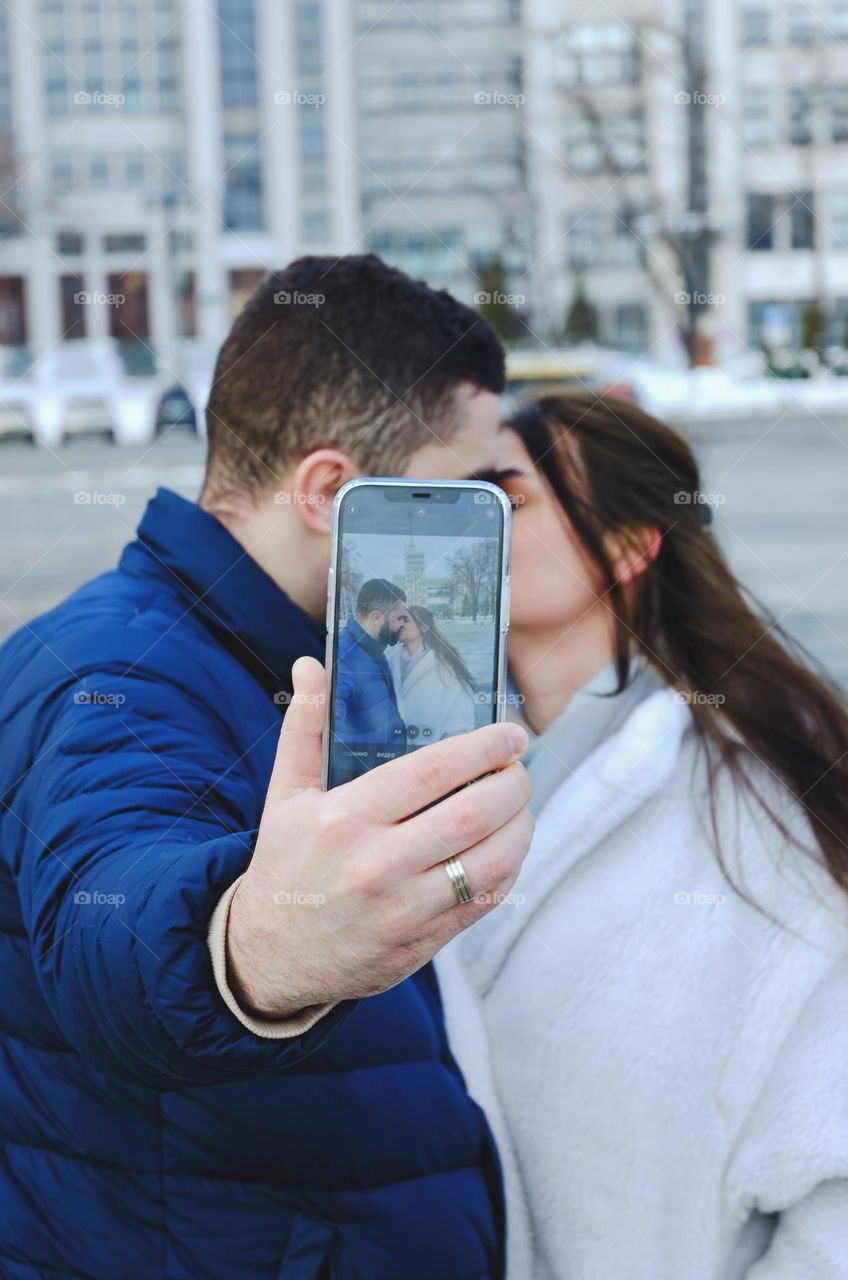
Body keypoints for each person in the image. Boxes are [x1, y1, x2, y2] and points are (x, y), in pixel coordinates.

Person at [0, 255, 534, 1280]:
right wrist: (254, 949)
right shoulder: (120, 673)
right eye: (464, 491)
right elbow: (107, 915)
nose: (489, 529)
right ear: (331, 490)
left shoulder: (300, 662)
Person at [437, 391, 848, 1280]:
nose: (473, 526)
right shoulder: (425, 772)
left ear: (629, 546)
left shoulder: (754, 805)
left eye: (508, 500)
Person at [333, 578, 407, 778]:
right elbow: (334, 739)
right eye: (399, 618)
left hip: (384, 777)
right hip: (369, 787)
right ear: (377, 617)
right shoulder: (343, 657)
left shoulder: (373, 650)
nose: (403, 624)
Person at [387, 603, 477, 746]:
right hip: (394, 751)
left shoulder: (445, 665)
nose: (400, 625)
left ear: (424, 627)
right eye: (399, 620)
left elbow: (460, 717)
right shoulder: (391, 659)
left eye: (406, 620)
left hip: (433, 752)